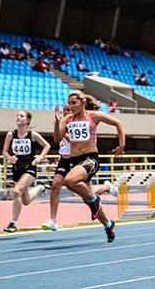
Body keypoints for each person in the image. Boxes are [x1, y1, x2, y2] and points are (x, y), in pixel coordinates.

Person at [57, 91, 125, 242]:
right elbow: (57, 137)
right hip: (75, 161)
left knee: (69, 181)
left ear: (82, 102)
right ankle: (108, 224)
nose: (70, 106)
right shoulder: (68, 119)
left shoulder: (94, 115)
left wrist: (121, 145)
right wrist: (58, 121)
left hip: (90, 159)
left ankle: (95, 199)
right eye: (69, 104)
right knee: (86, 199)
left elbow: (118, 123)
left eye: (74, 103)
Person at [41, 104, 119, 231]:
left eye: (69, 109)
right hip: (65, 159)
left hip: (79, 160)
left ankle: (107, 217)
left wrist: (65, 131)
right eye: (65, 110)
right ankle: (53, 220)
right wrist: (57, 122)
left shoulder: (79, 123)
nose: (67, 112)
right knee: (55, 185)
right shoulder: (63, 122)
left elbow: (75, 141)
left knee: (88, 197)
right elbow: (56, 138)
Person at [2, 110, 51, 232]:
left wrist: (40, 157)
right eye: (17, 115)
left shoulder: (32, 135)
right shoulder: (10, 134)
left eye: (21, 116)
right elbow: (4, 151)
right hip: (16, 169)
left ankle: (13, 223)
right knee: (26, 201)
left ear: (27, 120)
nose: (18, 117)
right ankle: (40, 188)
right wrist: (10, 158)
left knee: (17, 191)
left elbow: (47, 145)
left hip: (30, 169)